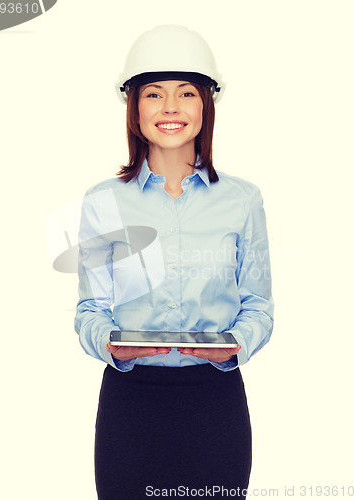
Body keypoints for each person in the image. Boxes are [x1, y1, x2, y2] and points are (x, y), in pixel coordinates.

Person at [74, 24, 274, 500]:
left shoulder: (243, 200)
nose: (170, 108)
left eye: (186, 92)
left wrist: (233, 347)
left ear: (206, 105)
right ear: (133, 108)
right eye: (153, 94)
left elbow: (259, 306)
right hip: (131, 407)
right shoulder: (102, 201)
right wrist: (109, 344)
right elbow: (89, 311)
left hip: (214, 406)